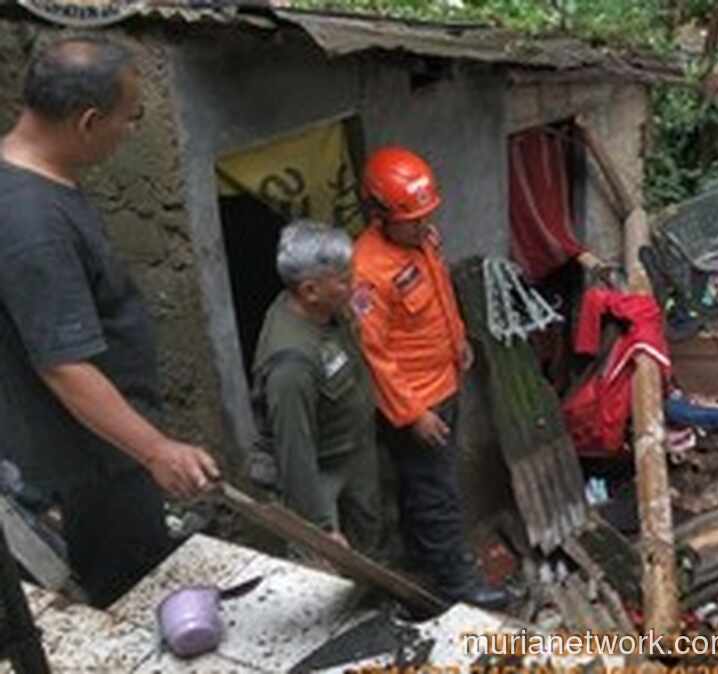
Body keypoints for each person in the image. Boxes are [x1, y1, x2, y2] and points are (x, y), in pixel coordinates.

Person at [0, 36, 219, 608]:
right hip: (89, 466)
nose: (131, 131)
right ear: (88, 121)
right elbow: (65, 365)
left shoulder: (36, 182)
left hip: (103, 451)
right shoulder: (32, 224)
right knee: (132, 605)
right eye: (129, 118)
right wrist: (155, 451)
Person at [351, 146, 507, 609]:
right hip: (417, 403)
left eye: (425, 216)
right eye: (412, 219)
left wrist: (458, 342)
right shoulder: (368, 272)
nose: (422, 225)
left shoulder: (423, 242)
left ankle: (424, 561)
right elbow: (372, 354)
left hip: (444, 384)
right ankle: (457, 588)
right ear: (380, 215)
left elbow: (439, 294)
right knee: (437, 492)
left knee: (428, 487)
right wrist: (412, 413)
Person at [250, 220, 382, 558]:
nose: (354, 285)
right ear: (310, 290)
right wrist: (319, 530)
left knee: (370, 537)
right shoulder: (291, 365)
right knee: (324, 567)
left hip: (353, 448)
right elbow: (296, 453)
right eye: (344, 280)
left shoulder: (327, 313)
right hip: (321, 470)